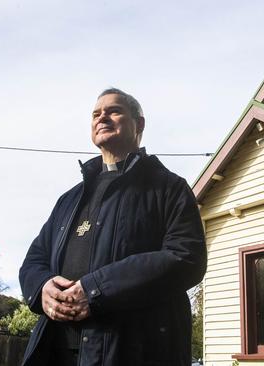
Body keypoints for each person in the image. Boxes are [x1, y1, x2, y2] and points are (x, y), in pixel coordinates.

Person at [19, 88, 207, 366]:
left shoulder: (168, 188)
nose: (102, 116)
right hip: (56, 350)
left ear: (139, 124)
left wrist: (94, 290)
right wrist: (42, 288)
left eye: (114, 110)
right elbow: (34, 260)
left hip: (133, 352)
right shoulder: (69, 199)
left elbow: (186, 257)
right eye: (96, 113)